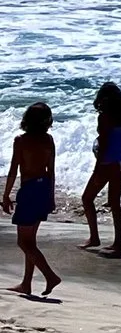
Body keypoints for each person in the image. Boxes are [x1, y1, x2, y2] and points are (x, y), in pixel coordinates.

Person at [5, 102, 62, 299]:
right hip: (43, 188)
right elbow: (51, 171)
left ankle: (50, 276)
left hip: (29, 190)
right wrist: (51, 197)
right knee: (31, 241)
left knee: (23, 242)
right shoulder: (49, 140)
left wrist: (5, 195)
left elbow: (13, 170)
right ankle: (26, 284)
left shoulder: (21, 141)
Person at [82, 82, 121, 256]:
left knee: (87, 198)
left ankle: (94, 237)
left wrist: (97, 167)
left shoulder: (104, 117)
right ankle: (117, 244)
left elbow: (104, 145)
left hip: (108, 162)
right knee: (114, 203)